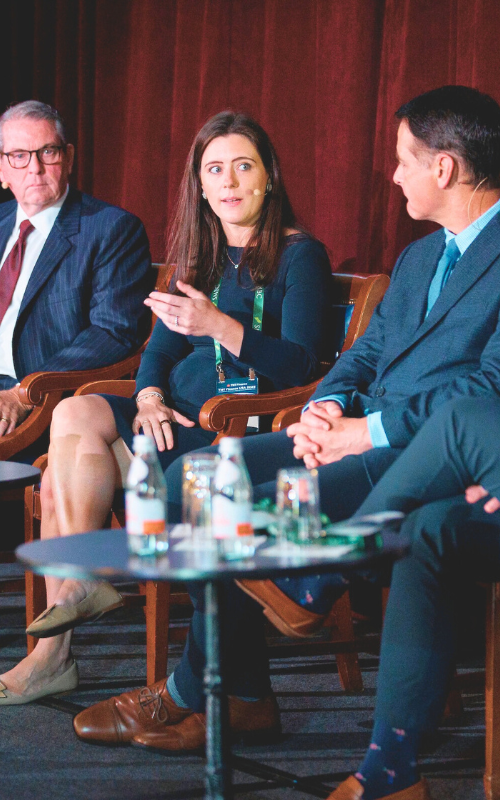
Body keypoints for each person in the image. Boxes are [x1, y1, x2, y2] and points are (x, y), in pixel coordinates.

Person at [71, 85, 500, 755]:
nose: (394, 176)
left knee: (237, 505)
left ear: (443, 168)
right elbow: (366, 353)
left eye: (402, 160)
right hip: (355, 433)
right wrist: (327, 406)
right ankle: (240, 693)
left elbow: (487, 388)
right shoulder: (422, 255)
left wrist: (366, 432)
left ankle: (205, 691)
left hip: (433, 457)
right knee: (193, 479)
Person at [0, 111, 332, 709]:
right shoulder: (201, 255)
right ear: (200, 186)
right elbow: (157, 353)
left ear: (269, 177)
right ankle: (80, 589)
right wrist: (148, 396)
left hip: (233, 428)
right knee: (74, 415)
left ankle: (54, 653)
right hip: (169, 418)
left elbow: (303, 365)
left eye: (243, 166)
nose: (229, 182)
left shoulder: (299, 256)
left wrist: (220, 326)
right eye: (214, 170)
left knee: (59, 474)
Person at [0, 100, 152, 438]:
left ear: (68, 157)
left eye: (47, 152)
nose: (35, 168)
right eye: (19, 155)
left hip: (42, 399)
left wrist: (24, 393)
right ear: (2, 169)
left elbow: (113, 332)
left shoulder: (111, 229)